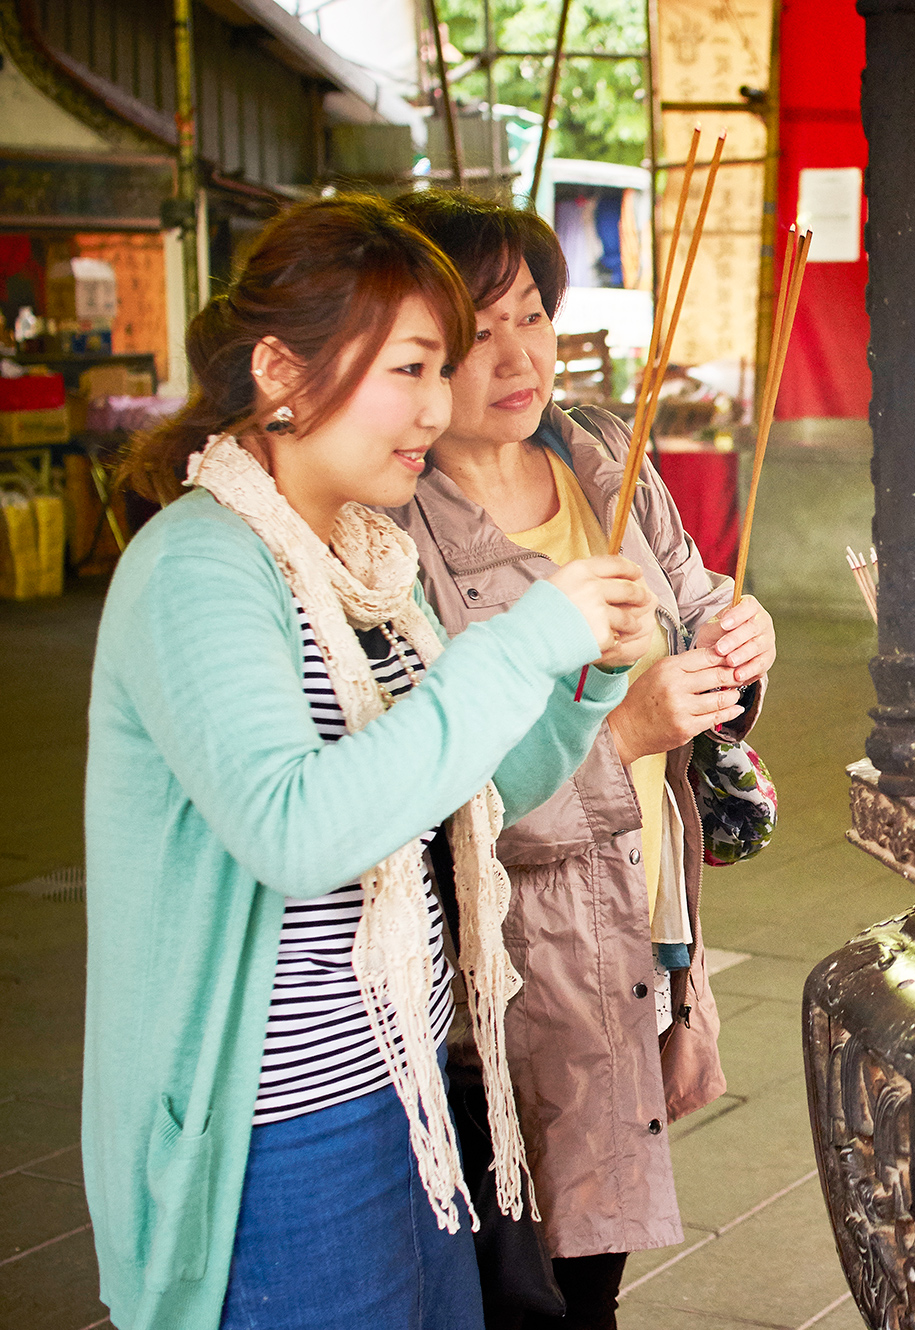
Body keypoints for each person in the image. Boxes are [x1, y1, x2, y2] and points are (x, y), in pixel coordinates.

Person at [83, 195, 657, 1330]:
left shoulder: (362, 563)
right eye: (411, 367)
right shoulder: (201, 566)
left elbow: (466, 786)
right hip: (277, 1125)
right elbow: (297, 828)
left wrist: (588, 681)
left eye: (437, 369)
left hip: (411, 1079)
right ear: (280, 372)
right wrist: (518, 644)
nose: (436, 406)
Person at [388, 190, 776, 1330]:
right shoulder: (399, 525)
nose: (519, 356)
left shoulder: (602, 450)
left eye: (534, 317)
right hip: (506, 976)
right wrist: (623, 733)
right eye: (477, 332)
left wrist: (736, 636)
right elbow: (437, 804)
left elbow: (692, 596)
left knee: (591, 1275)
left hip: (638, 924)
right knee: (521, 1283)